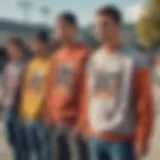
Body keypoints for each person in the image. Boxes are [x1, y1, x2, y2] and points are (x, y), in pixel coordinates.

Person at [77, 6, 154, 160]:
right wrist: (84, 122)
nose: (100, 29)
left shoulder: (134, 59)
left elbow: (144, 102)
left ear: (118, 26)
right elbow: (87, 94)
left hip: (122, 140)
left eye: (105, 24)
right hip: (96, 136)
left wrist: (142, 137)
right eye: (97, 25)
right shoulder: (93, 59)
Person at [44, 12, 91, 160]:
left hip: (75, 124)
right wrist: (48, 113)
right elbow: (52, 87)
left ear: (74, 29)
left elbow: (88, 91)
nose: (59, 32)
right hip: (56, 121)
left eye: (64, 27)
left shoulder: (85, 54)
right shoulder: (57, 56)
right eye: (57, 28)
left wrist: (82, 121)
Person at [20, 31, 52, 160]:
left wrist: (49, 114)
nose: (36, 47)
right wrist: (23, 111)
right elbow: (26, 89)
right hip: (30, 116)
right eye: (34, 44)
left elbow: (53, 92)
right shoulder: (32, 64)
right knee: (35, 152)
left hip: (43, 118)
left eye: (39, 44)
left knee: (46, 153)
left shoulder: (52, 63)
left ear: (46, 45)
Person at [0, 37, 26, 160]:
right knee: (10, 140)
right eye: (9, 49)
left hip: (18, 111)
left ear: (20, 50)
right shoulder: (8, 67)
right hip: (7, 110)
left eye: (13, 49)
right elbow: (4, 89)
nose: (11, 52)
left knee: (21, 144)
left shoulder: (25, 67)